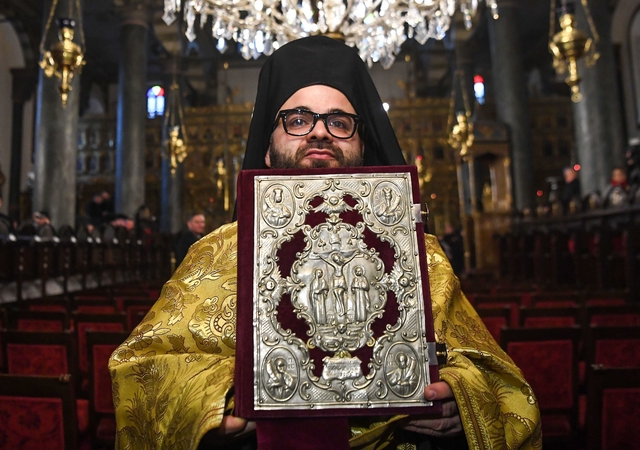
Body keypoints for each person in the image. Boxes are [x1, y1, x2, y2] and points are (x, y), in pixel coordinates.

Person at [110, 36, 540, 450]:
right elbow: (143, 366)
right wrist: (214, 407)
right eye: (297, 120)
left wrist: (459, 399)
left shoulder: (421, 254)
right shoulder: (216, 252)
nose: (319, 133)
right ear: (267, 147)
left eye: (339, 121)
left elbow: (496, 378)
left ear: (361, 144)